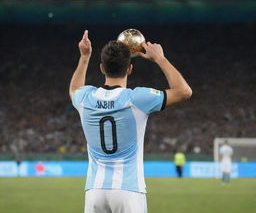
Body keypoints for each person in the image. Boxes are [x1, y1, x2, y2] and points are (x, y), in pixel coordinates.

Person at [69, 30, 192, 213]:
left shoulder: (85, 97)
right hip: (129, 189)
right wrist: (160, 59)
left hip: (94, 190)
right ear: (129, 69)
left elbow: (74, 88)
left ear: (102, 68)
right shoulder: (137, 98)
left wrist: (84, 57)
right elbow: (184, 92)